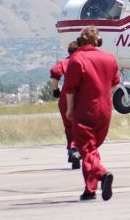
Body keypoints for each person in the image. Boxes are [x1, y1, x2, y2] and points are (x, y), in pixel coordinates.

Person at [65, 26, 120, 201]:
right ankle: (90, 190)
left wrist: (69, 110)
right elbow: (115, 84)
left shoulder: (77, 59)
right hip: (105, 111)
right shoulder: (109, 58)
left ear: (81, 40)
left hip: (85, 111)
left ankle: (103, 174)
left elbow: (70, 90)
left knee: (86, 150)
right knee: (91, 150)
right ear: (97, 40)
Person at [50, 41, 81, 169]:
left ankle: (72, 150)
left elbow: (54, 72)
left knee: (69, 127)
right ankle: (76, 150)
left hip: (65, 97)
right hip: (80, 97)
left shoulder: (64, 62)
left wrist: (55, 89)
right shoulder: (82, 61)